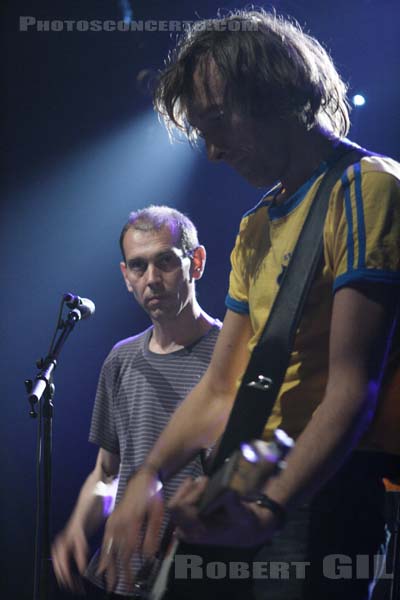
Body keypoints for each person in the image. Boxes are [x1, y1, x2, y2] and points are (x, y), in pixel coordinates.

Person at [96, 9, 400, 600]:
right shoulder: (256, 224)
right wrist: (148, 476)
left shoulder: (369, 190)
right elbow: (221, 387)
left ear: (275, 94)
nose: (210, 151)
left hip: (321, 488)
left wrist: (272, 506)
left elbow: (352, 386)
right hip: (242, 481)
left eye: (217, 122)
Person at [51, 205, 222, 598]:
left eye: (165, 262)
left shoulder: (232, 356)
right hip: (122, 579)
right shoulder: (121, 359)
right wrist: (77, 526)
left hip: (200, 577)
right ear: (125, 276)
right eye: (138, 266)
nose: (152, 279)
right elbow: (106, 474)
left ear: (195, 262)